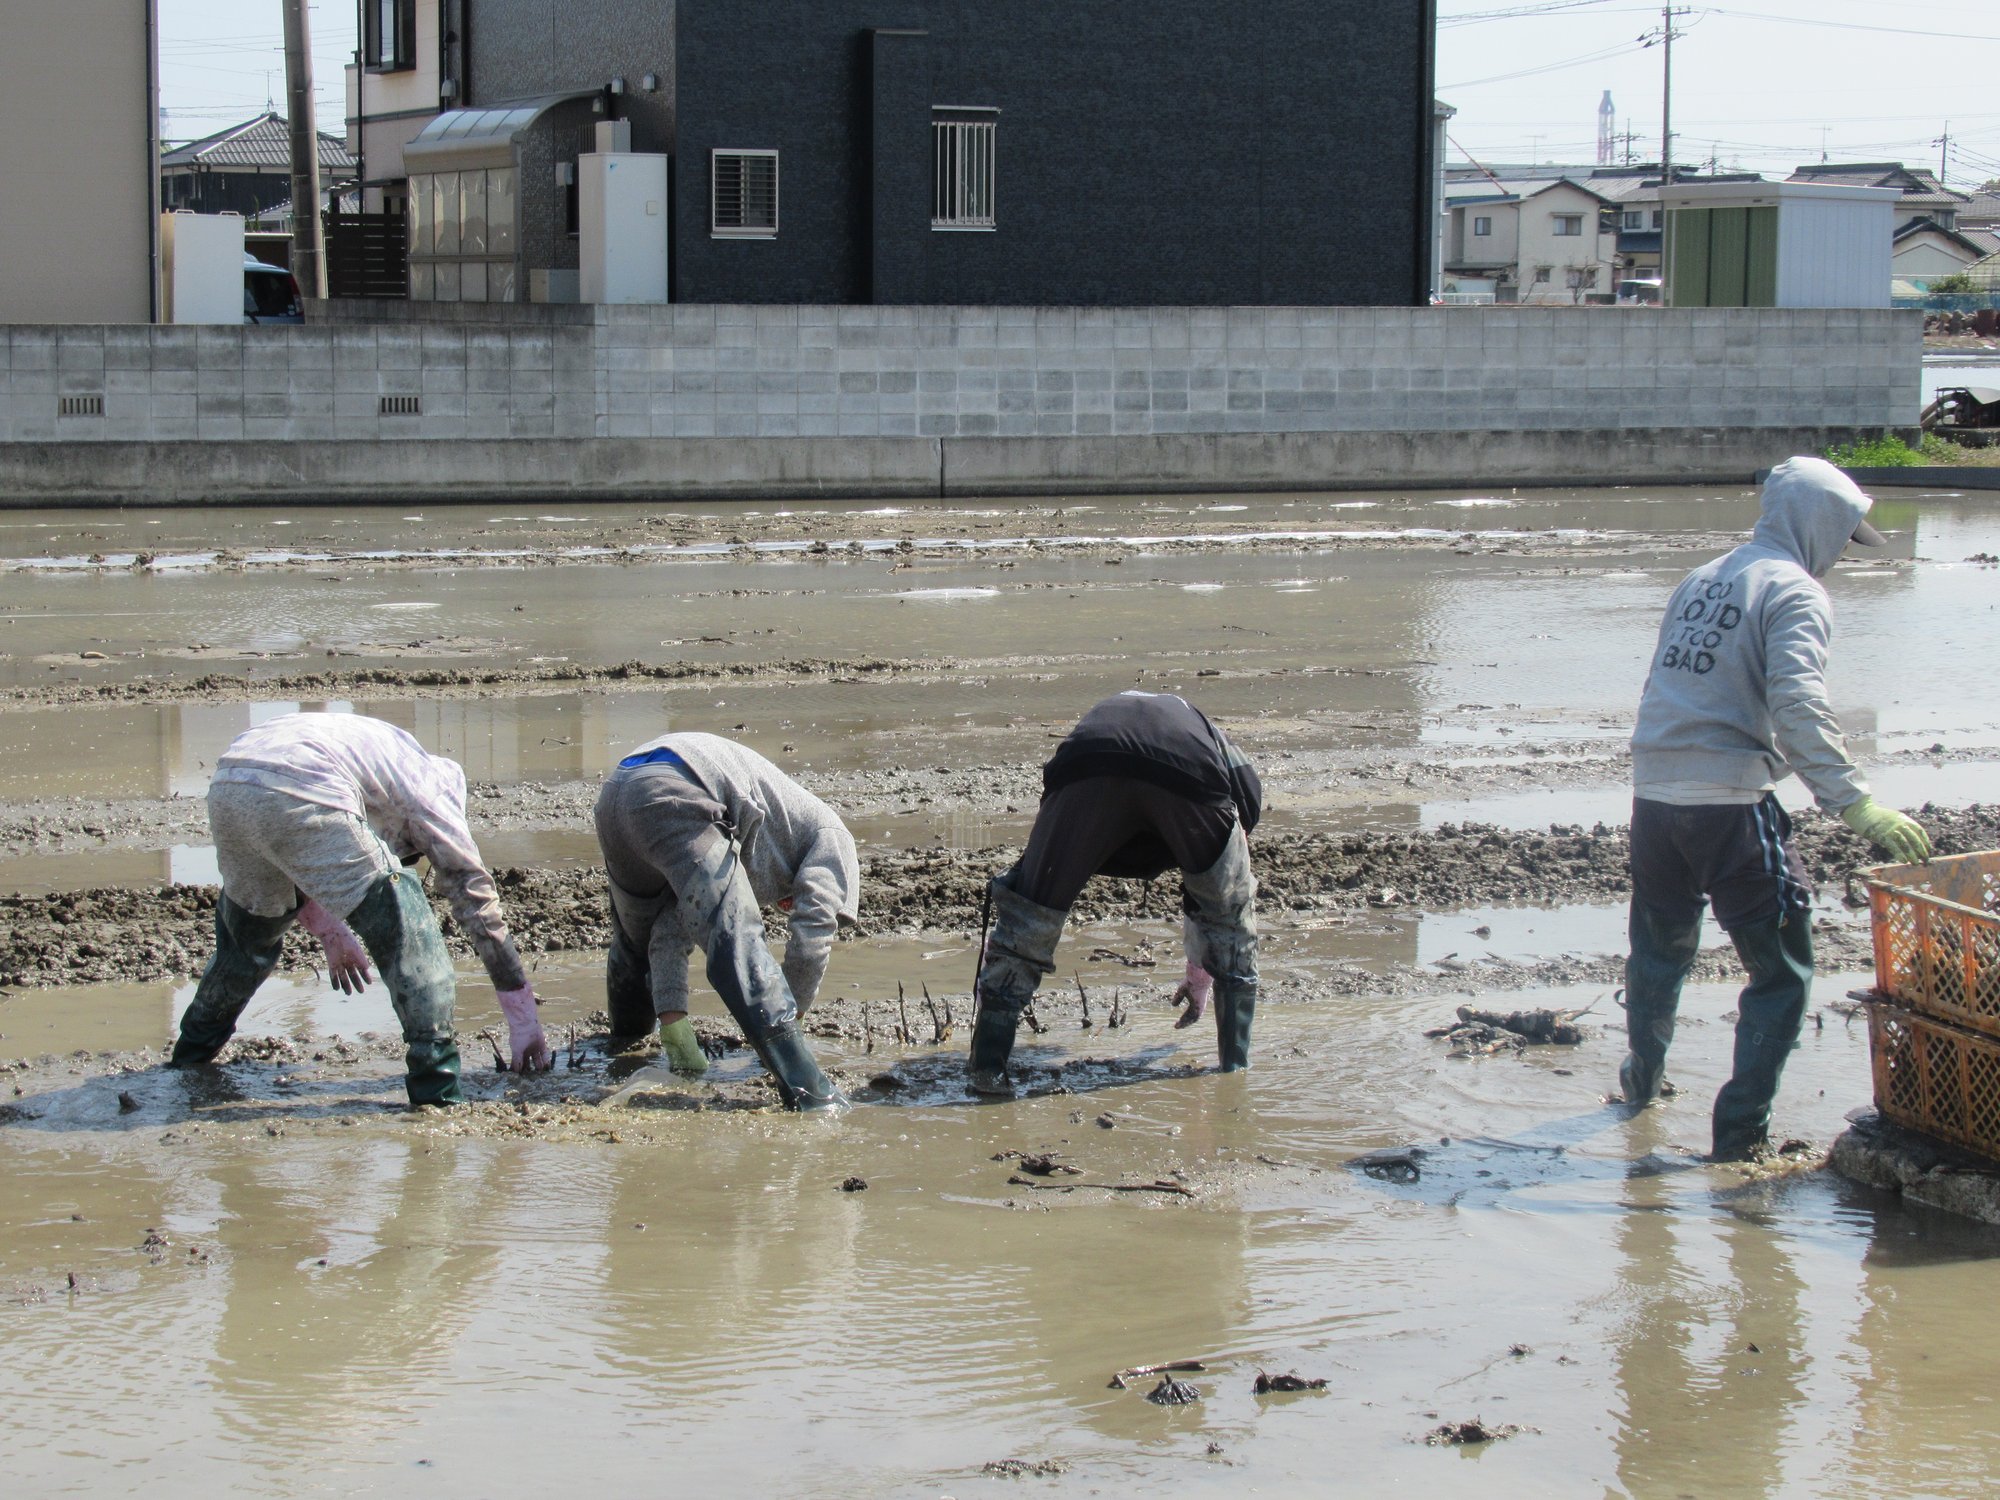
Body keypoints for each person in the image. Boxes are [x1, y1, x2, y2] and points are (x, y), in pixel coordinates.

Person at [1621, 456, 1931, 1160]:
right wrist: (1855, 803)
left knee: (1660, 951)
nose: (1840, 559)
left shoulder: (1701, 579)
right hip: (1728, 809)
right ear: (1819, 525)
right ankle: (1739, 1142)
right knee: (1782, 973)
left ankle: (1641, 1086)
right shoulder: (1795, 592)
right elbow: (1798, 705)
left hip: (1655, 797)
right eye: (1843, 539)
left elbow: (1664, 682)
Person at [169, 712, 548, 1106]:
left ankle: (188, 1063)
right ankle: (437, 1092)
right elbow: (474, 896)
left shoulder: (384, 762)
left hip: (230, 783)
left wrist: (331, 931)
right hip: (300, 779)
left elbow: (295, 854)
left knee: (246, 945)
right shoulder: (431, 792)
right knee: (410, 930)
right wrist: (522, 1018)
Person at [968, 690, 1261, 1097]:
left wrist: (1023, 908)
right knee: (1230, 915)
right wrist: (1206, 968)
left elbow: (1052, 791)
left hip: (1087, 767)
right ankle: (1234, 1072)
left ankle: (986, 1075)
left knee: (1030, 916)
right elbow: (1218, 885)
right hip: (1184, 773)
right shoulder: (1220, 750)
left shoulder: (1126, 712)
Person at [593, 732, 857, 1112]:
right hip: (676, 786)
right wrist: (788, 1025)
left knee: (636, 946)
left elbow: (669, 928)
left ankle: (622, 1051)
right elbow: (811, 939)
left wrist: (675, 1024)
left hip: (617, 792)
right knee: (737, 941)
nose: (785, 906)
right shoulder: (833, 838)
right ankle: (814, 1097)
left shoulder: (761, 837)